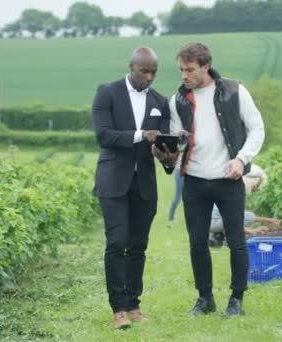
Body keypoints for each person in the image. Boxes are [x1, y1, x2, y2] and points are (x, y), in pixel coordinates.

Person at [167, 42, 265, 318]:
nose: (184, 75)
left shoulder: (234, 91)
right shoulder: (178, 100)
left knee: (236, 241)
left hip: (228, 179)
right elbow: (178, 139)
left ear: (205, 66)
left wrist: (241, 159)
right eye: (181, 70)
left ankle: (236, 300)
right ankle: (205, 298)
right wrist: (168, 152)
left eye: (189, 70)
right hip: (194, 181)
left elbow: (257, 128)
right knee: (197, 242)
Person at [92, 47, 178, 329]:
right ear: (131, 66)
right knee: (117, 243)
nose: (150, 76)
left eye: (154, 71)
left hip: (144, 185)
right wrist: (142, 135)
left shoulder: (160, 101)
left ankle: (133, 304)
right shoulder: (107, 93)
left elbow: (162, 146)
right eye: (145, 70)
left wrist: (168, 158)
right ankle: (118, 309)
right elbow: (103, 136)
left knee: (138, 246)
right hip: (113, 181)